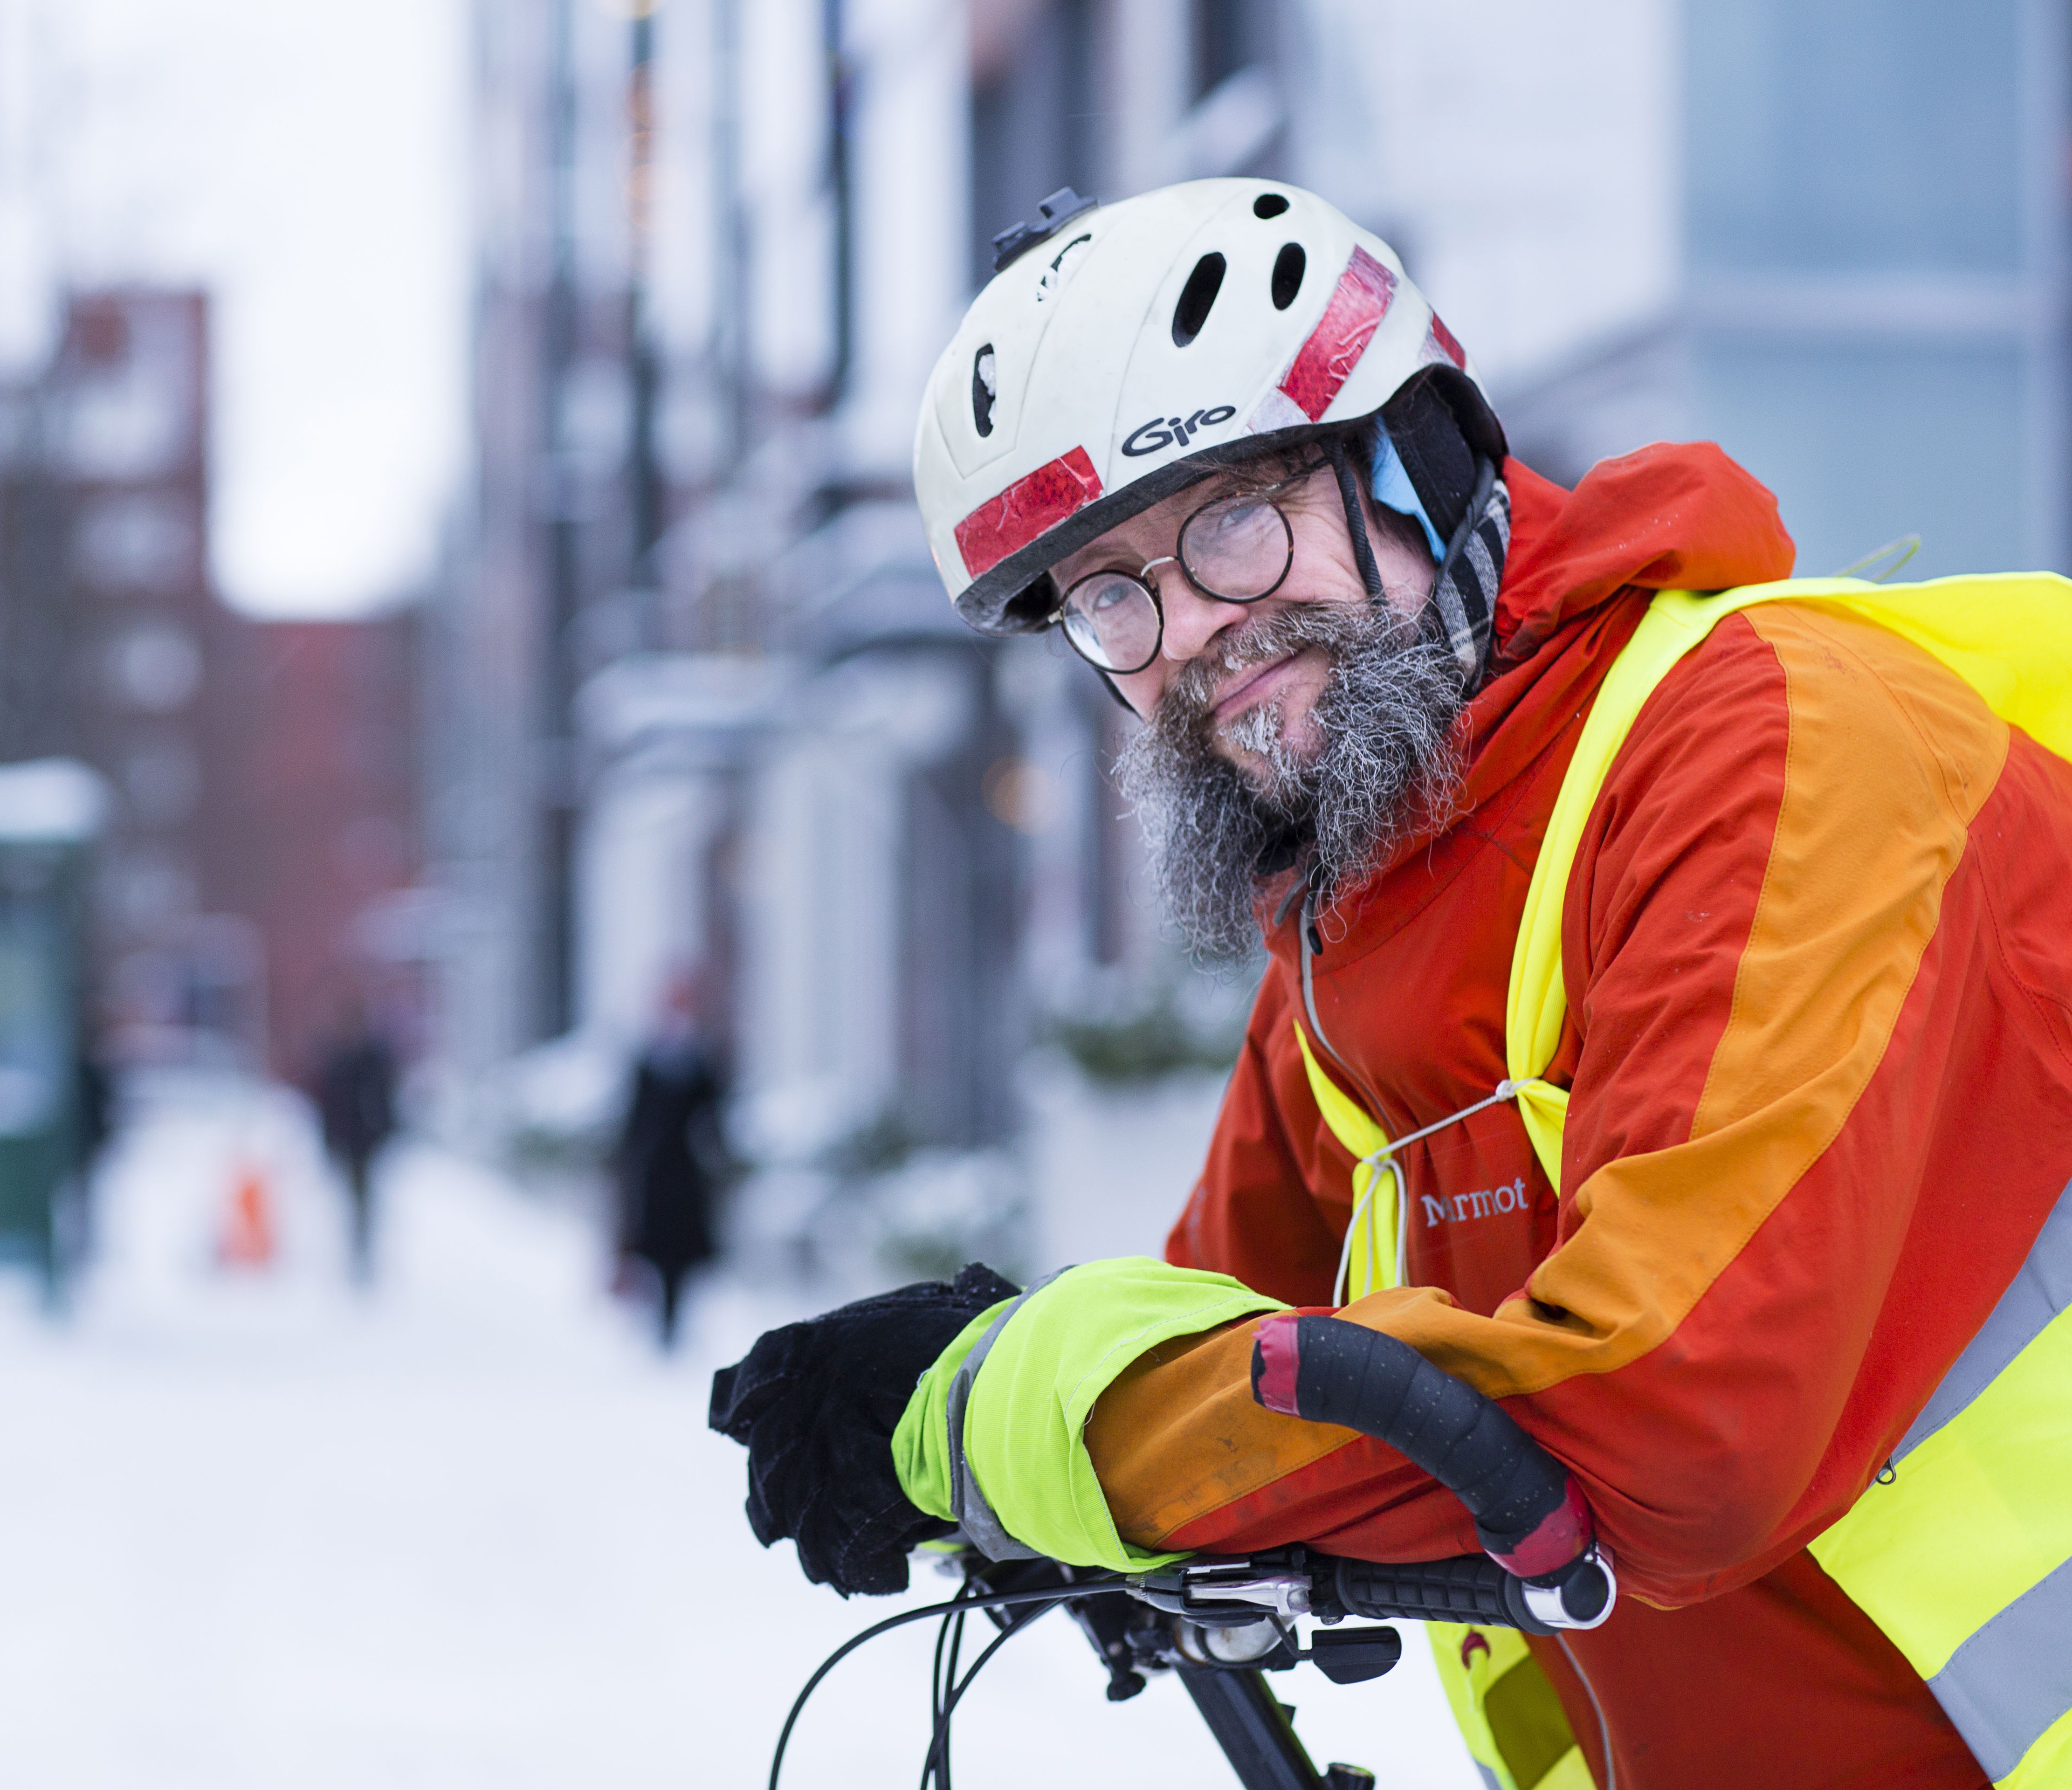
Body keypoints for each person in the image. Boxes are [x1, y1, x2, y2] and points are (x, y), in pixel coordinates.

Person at [709, 179, 2072, 1790]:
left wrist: (1006, 1419)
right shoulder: (1361, 917)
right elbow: (1231, 1336)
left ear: (1415, 460)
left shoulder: (1782, 756)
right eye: (1112, 597)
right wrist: (988, 1394)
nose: (1197, 631)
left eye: (1235, 518)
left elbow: (1667, 1421)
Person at [613, 975, 726, 1350]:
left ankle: (674, 1322)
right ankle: (662, 1321)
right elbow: (634, 1119)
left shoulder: (704, 1059)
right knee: (656, 1252)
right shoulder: (648, 1059)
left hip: (688, 1175)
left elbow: (716, 1117)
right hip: (655, 1175)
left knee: (682, 1255)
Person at [314, 1004, 398, 1285]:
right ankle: (357, 1251)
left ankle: (361, 1252)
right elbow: (328, 1105)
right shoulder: (342, 1061)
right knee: (357, 1199)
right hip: (352, 1142)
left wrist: (384, 1134)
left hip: (365, 1143)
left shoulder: (368, 1059)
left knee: (362, 1200)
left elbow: (386, 1101)